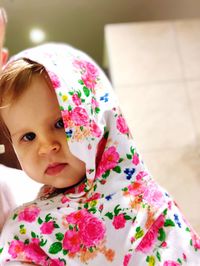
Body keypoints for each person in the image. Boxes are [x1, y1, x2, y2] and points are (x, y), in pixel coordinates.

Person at [0, 43, 199, 266]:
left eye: (60, 123)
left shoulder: (148, 207)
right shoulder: (24, 227)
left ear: (97, 119)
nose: (47, 146)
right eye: (28, 137)